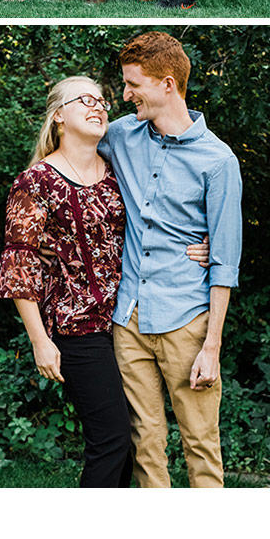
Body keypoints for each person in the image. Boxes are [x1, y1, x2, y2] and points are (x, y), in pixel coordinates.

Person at [101, 31, 242, 487]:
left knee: (200, 441)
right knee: (146, 442)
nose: (125, 95)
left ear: (167, 84)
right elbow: (69, 153)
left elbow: (224, 261)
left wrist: (212, 346)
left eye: (133, 84)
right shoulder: (121, 135)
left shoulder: (218, 161)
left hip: (187, 321)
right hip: (128, 318)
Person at [0, 77, 132, 486]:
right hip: (78, 329)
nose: (99, 106)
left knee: (132, 445)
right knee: (111, 440)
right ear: (59, 115)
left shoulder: (117, 172)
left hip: (130, 322)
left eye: (102, 100)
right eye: (85, 100)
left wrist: (203, 242)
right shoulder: (36, 181)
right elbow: (19, 263)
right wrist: (40, 340)